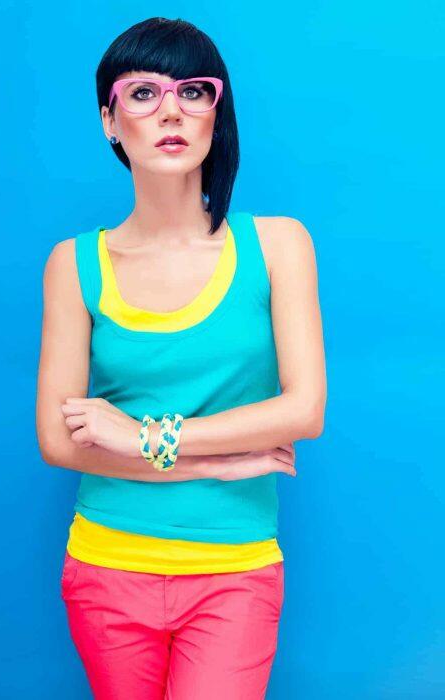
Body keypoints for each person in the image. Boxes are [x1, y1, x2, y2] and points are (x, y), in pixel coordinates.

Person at [36, 16, 326, 700]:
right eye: (143, 93)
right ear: (109, 121)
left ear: (215, 114)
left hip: (234, 568)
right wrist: (212, 461)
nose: (171, 111)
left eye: (193, 91)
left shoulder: (278, 246)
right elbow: (57, 441)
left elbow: (304, 410)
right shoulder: (73, 264)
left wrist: (144, 436)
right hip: (106, 564)